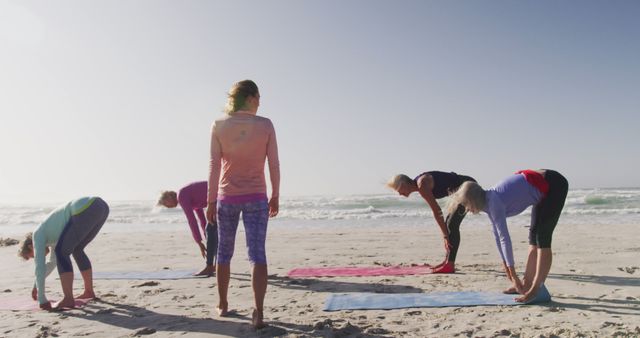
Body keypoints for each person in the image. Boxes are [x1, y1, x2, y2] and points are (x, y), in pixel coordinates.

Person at [206, 80, 280, 329]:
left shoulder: (218, 126)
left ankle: (223, 304)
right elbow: (274, 164)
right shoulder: (266, 125)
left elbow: (215, 166)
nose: (260, 102)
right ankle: (258, 312)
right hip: (257, 197)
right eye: (258, 96)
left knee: (223, 253)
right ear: (248, 98)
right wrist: (276, 194)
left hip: (226, 199)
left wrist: (210, 201)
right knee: (257, 253)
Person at [447, 169, 568, 302]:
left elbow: (505, 239)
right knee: (533, 238)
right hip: (541, 185)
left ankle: (536, 289)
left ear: (473, 200)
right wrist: (506, 267)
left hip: (554, 184)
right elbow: (497, 237)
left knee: (542, 238)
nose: (466, 209)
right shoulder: (489, 202)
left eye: (466, 204)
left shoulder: (494, 203)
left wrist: (513, 274)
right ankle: (526, 284)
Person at [17, 197, 109, 310]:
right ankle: (89, 291)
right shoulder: (53, 235)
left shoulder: (38, 234)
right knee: (77, 249)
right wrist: (36, 284)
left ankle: (68, 298)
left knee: (62, 252)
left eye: (32, 255)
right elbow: (51, 263)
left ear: (31, 246)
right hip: (101, 206)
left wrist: (42, 299)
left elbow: (39, 267)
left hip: (85, 208)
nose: (36, 256)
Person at [387, 171, 477, 273]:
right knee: (449, 224)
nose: (399, 194)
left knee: (451, 225)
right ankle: (448, 261)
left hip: (468, 187)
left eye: (398, 190)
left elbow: (437, 211)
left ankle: (450, 265)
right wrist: (445, 234)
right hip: (462, 189)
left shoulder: (422, 185)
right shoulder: (419, 184)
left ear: (403, 184)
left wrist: (445, 236)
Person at [158, 181, 217, 277]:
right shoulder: (186, 195)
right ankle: (217, 265)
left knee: (212, 232)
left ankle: (210, 266)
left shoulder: (182, 196)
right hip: (218, 194)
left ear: (169, 197)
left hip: (218, 194)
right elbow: (201, 218)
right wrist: (205, 237)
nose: (167, 207)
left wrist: (199, 242)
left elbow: (192, 220)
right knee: (212, 232)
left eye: (165, 204)